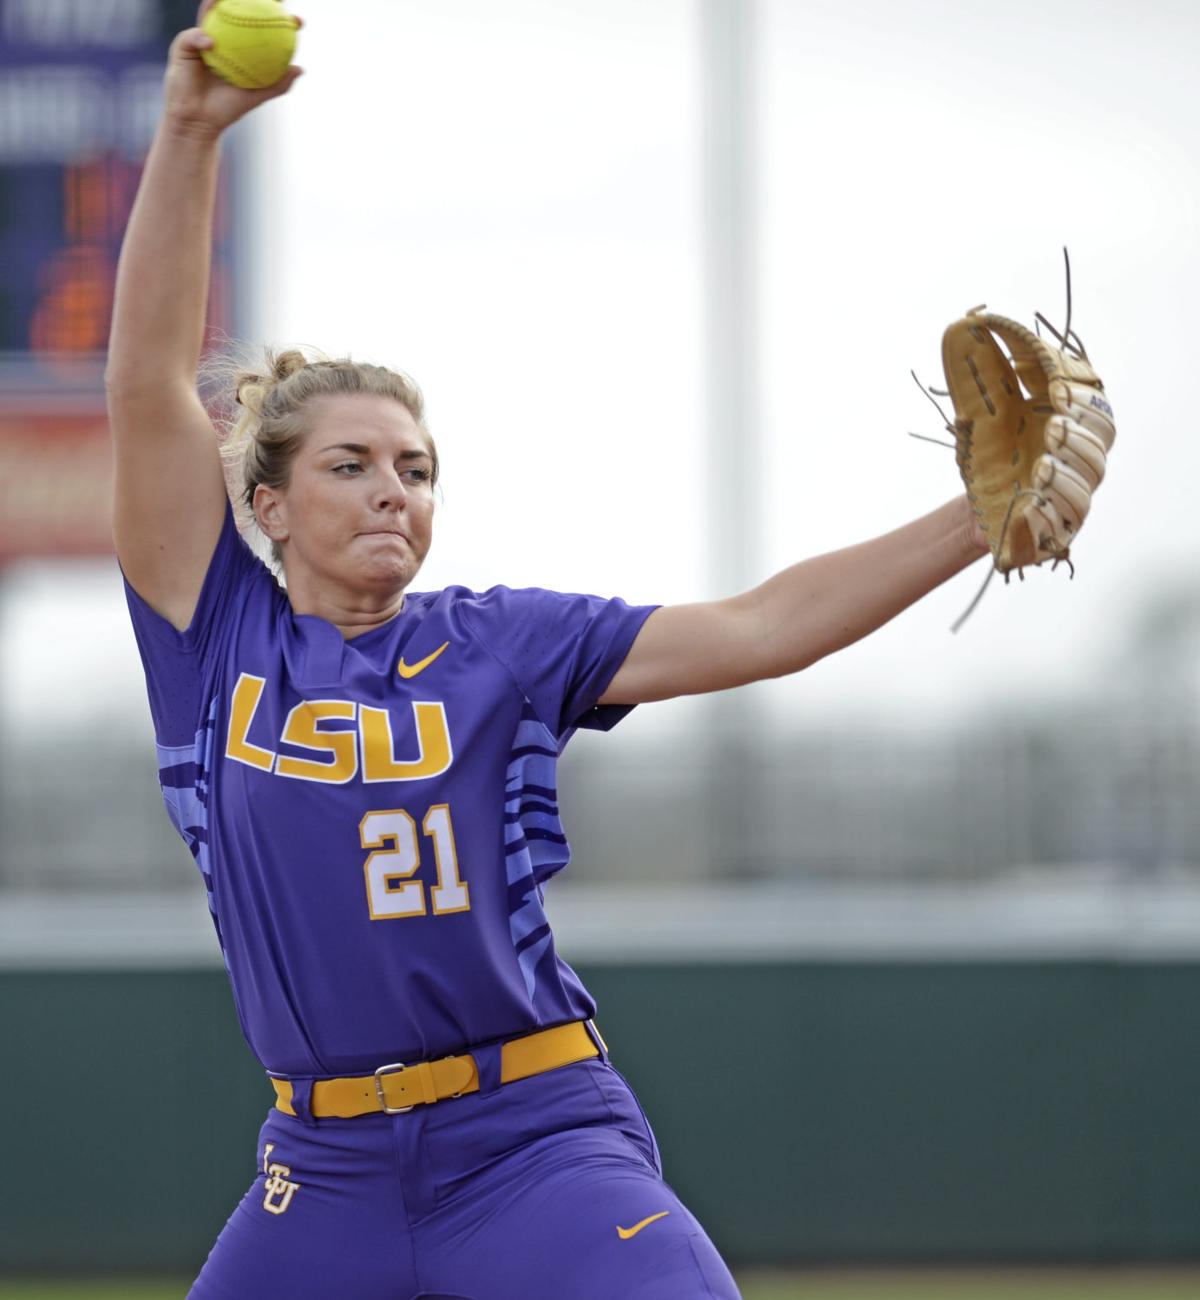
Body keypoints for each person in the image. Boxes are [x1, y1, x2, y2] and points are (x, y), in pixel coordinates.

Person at [108, 8, 990, 1298]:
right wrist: (189, 135)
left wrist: (977, 518)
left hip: (531, 1142)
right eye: (348, 467)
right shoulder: (215, 636)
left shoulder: (501, 643)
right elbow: (142, 391)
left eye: (417, 470)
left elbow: (759, 628)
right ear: (271, 504)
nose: (391, 492)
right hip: (323, 1170)